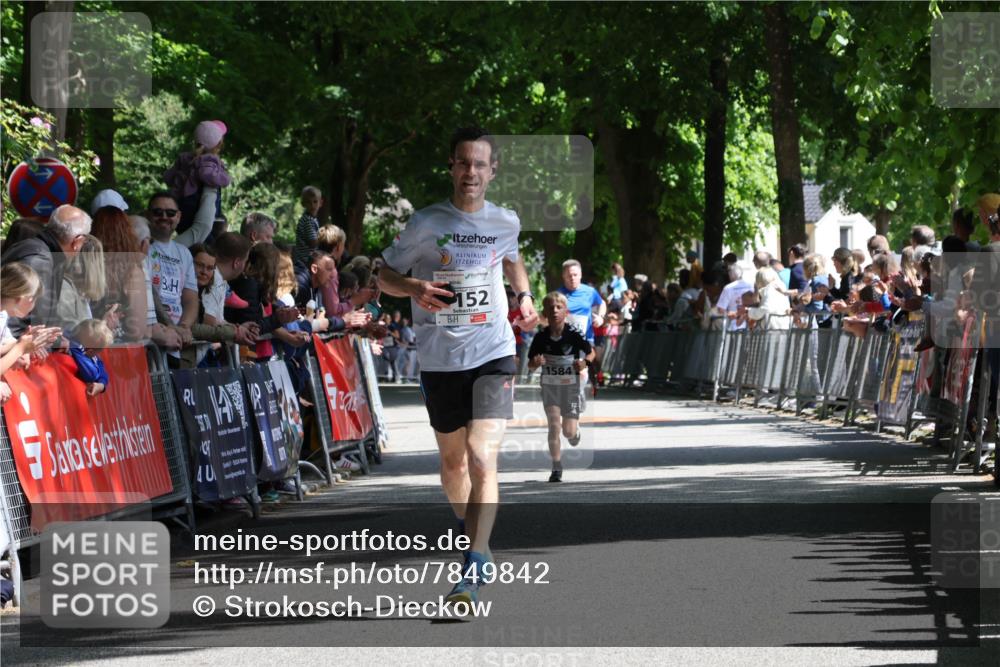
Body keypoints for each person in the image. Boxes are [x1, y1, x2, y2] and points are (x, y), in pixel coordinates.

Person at [378, 126, 538, 608]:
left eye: (480, 164)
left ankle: (476, 556)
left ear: (493, 171)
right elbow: (383, 275)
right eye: (463, 163)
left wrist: (524, 295)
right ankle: (471, 529)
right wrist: (413, 289)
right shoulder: (425, 223)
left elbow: (512, 261)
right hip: (439, 357)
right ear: (451, 167)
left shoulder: (505, 220)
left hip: (493, 350)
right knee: (452, 466)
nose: (471, 172)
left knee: (481, 454)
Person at [527, 292, 593, 483]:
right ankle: (556, 467)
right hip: (550, 387)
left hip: (570, 387)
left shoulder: (574, 334)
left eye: (558, 307)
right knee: (554, 425)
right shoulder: (540, 337)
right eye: (550, 308)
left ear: (566, 311)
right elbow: (530, 364)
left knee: (568, 432)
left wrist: (584, 364)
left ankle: (575, 430)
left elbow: (591, 353)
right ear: (545, 313)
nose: (555, 311)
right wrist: (536, 362)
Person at [1, 205, 92, 335]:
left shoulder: (38, 250)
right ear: (77, 242)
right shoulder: (39, 260)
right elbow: (12, 316)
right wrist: (22, 346)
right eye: (85, 241)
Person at [0, 264, 62, 401]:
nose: (34, 306)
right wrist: (20, 348)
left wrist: (24, 343)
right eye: (35, 299)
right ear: (24, 298)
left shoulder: (3, 315)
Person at [146, 193, 198, 356]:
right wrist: (169, 326)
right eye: (157, 212)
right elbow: (146, 293)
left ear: (178, 217)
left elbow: (190, 298)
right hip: (150, 342)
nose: (164, 217)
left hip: (176, 343)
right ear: (148, 215)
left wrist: (183, 327)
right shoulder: (141, 247)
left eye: (170, 213)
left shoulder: (184, 253)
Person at [91, 206, 148, 341]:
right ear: (127, 233)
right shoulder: (132, 271)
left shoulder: (82, 267)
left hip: (85, 349)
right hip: (119, 351)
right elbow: (138, 330)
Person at [163, 119, 230, 234]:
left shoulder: (184, 157)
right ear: (218, 145)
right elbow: (206, 175)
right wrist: (226, 178)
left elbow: (169, 176)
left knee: (182, 230)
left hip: (179, 201)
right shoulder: (209, 160)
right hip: (193, 204)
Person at [558, 259, 606, 346]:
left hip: (586, 340)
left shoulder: (590, 291)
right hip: (565, 342)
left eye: (575, 275)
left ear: (580, 275)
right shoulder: (557, 295)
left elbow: (602, 303)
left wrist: (600, 317)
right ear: (563, 276)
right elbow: (545, 317)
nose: (572, 278)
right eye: (569, 275)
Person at [294, 186, 323, 268]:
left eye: (315, 202)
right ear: (303, 204)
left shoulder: (311, 219)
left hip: (307, 259)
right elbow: (313, 243)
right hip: (306, 261)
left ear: (320, 203)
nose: (312, 205)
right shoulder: (308, 220)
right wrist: (325, 237)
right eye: (308, 202)